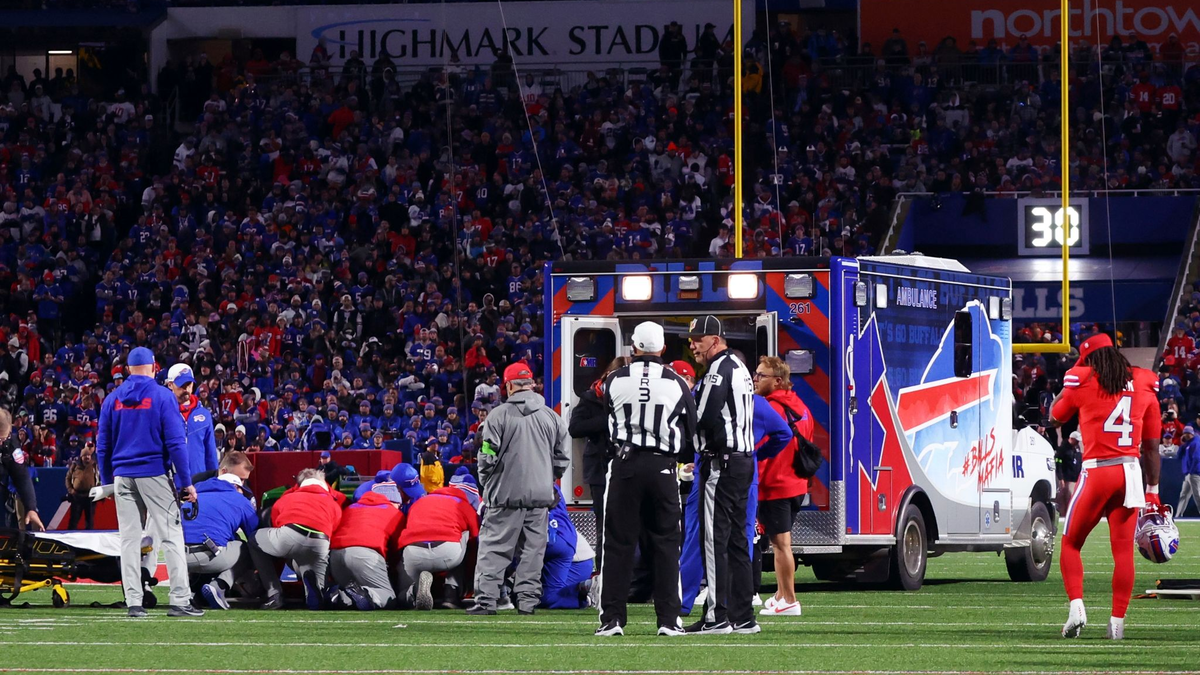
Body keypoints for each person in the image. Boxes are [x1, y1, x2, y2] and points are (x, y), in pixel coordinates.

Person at [1049, 333, 1161, 640]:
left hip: (1098, 472)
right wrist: (1153, 490)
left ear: (1088, 362)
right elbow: (1151, 447)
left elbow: (1054, 417)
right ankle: (1117, 624)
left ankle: (1076, 608)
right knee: (1123, 552)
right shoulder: (1144, 382)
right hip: (1130, 473)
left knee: (1071, 543)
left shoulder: (1082, 379)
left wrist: (1066, 388)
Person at [595, 321, 697, 637]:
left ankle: (611, 619)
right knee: (666, 544)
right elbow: (690, 431)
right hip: (663, 468)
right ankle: (669, 620)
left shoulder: (613, 380)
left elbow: (607, 414)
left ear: (633, 348)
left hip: (624, 465)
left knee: (617, 544)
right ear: (663, 349)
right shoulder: (677, 382)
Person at [96, 347, 200, 618]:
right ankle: (179, 600)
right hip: (153, 473)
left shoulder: (112, 399)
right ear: (154, 366)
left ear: (128, 369)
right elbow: (176, 443)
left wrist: (108, 481)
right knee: (172, 537)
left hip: (122, 476)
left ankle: (134, 603)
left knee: (129, 540)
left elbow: (102, 447)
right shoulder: (162, 396)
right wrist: (187, 482)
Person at [469, 361, 570, 615]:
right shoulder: (552, 417)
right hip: (540, 496)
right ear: (532, 385)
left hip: (504, 495)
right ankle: (527, 603)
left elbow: (486, 456)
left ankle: (486, 602)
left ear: (509, 386)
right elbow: (562, 458)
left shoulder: (497, 416)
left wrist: (487, 483)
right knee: (532, 553)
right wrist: (547, 479)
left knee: (494, 548)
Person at [683, 315, 757, 635]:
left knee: (714, 540)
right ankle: (743, 616)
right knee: (738, 541)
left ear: (715, 339)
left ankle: (717, 616)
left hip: (722, 464)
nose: (692, 345)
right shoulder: (739, 365)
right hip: (743, 462)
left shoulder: (718, 369)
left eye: (698, 339)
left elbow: (703, 417)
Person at [752, 356, 812, 617]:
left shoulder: (770, 408)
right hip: (796, 484)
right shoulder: (800, 405)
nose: (755, 379)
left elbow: (763, 450)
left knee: (781, 545)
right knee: (782, 543)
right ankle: (780, 594)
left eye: (761, 375)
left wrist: (752, 483)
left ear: (777, 380)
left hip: (776, 486)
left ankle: (789, 599)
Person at [181, 451, 264, 610]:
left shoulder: (195, 491)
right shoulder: (239, 499)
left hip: (179, 558)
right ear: (236, 485)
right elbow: (256, 537)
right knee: (245, 547)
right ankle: (220, 585)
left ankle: (191, 592)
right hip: (209, 555)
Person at [568, 356, 628, 573]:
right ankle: (603, 571)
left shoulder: (629, 400)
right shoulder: (591, 398)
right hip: (600, 467)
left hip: (625, 466)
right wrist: (607, 421)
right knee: (604, 523)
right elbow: (575, 428)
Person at [254, 468, 343, 610]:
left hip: (290, 534)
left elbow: (275, 522)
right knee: (316, 589)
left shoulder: (287, 497)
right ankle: (311, 587)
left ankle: (274, 593)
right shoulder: (333, 503)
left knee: (254, 540)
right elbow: (335, 529)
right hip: (320, 542)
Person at [397, 470, 480, 610]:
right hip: (447, 553)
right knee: (465, 536)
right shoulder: (463, 505)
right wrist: (470, 582)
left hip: (413, 553)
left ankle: (413, 593)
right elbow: (475, 543)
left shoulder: (419, 502)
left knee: (403, 590)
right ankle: (451, 593)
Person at [328, 486, 405, 610]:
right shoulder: (394, 513)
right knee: (387, 595)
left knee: (350, 594)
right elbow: (397, 548)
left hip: (335, 554)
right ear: (395, 502)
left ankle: (333, 594)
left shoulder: (349, 509)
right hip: (366, 554)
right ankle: (366, 594)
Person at [540, 484, 595, 609]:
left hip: (575, 562)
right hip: (567, 547)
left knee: (545, 598)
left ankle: (587, 592)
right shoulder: (545, 481)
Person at [166, 364, 218, 483]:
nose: (186, 389)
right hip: (171, 481)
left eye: (189, 385)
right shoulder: (163, 413)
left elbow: (210, 452)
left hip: (199, 480)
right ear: (170, 385)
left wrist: (213, 480)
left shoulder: (204, 414)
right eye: (181, 385)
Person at [0, 408, 43, 532]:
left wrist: (31, 508)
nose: (2, 444)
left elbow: (22, 476)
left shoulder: (11, 444)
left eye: (4, 438)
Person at [65, 439, 99, 529]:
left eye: (88, 455)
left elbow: (99, 479)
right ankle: (70, 537)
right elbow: (68, 478)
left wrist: (98, 491)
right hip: (77, 496)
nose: (87, 457)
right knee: (73, 520)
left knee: (90, 521)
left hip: (90, 496)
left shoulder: (94, 465)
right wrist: (70, 490)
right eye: (85, 455)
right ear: (81, 457)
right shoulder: (75, 465)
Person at [1055, 430, 1084, 515]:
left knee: (1073, 496)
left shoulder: (1076, 448)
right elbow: (1058, 463)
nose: (1078, 442)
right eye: (1076, 440)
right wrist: (1061, 478)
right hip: (1066, 478)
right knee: (1067, 496)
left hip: (1075, 477)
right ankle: (1065, 513)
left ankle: (1071, 512)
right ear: (1071, 439)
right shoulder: (1063, 449)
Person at [1176, 426, 1200, 516]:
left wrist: (1191, 471)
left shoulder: (1196, 442)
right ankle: (1178, 515)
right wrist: (1182, 444)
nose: (1187, 435)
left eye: (1188, 433)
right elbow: (1179, 456)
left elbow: (1197, 458)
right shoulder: (1188, 443)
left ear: (1192, 433)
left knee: (1197, 494)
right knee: (1184, 494)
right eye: (1185, 433)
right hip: (1188, 474)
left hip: (1195, 473)